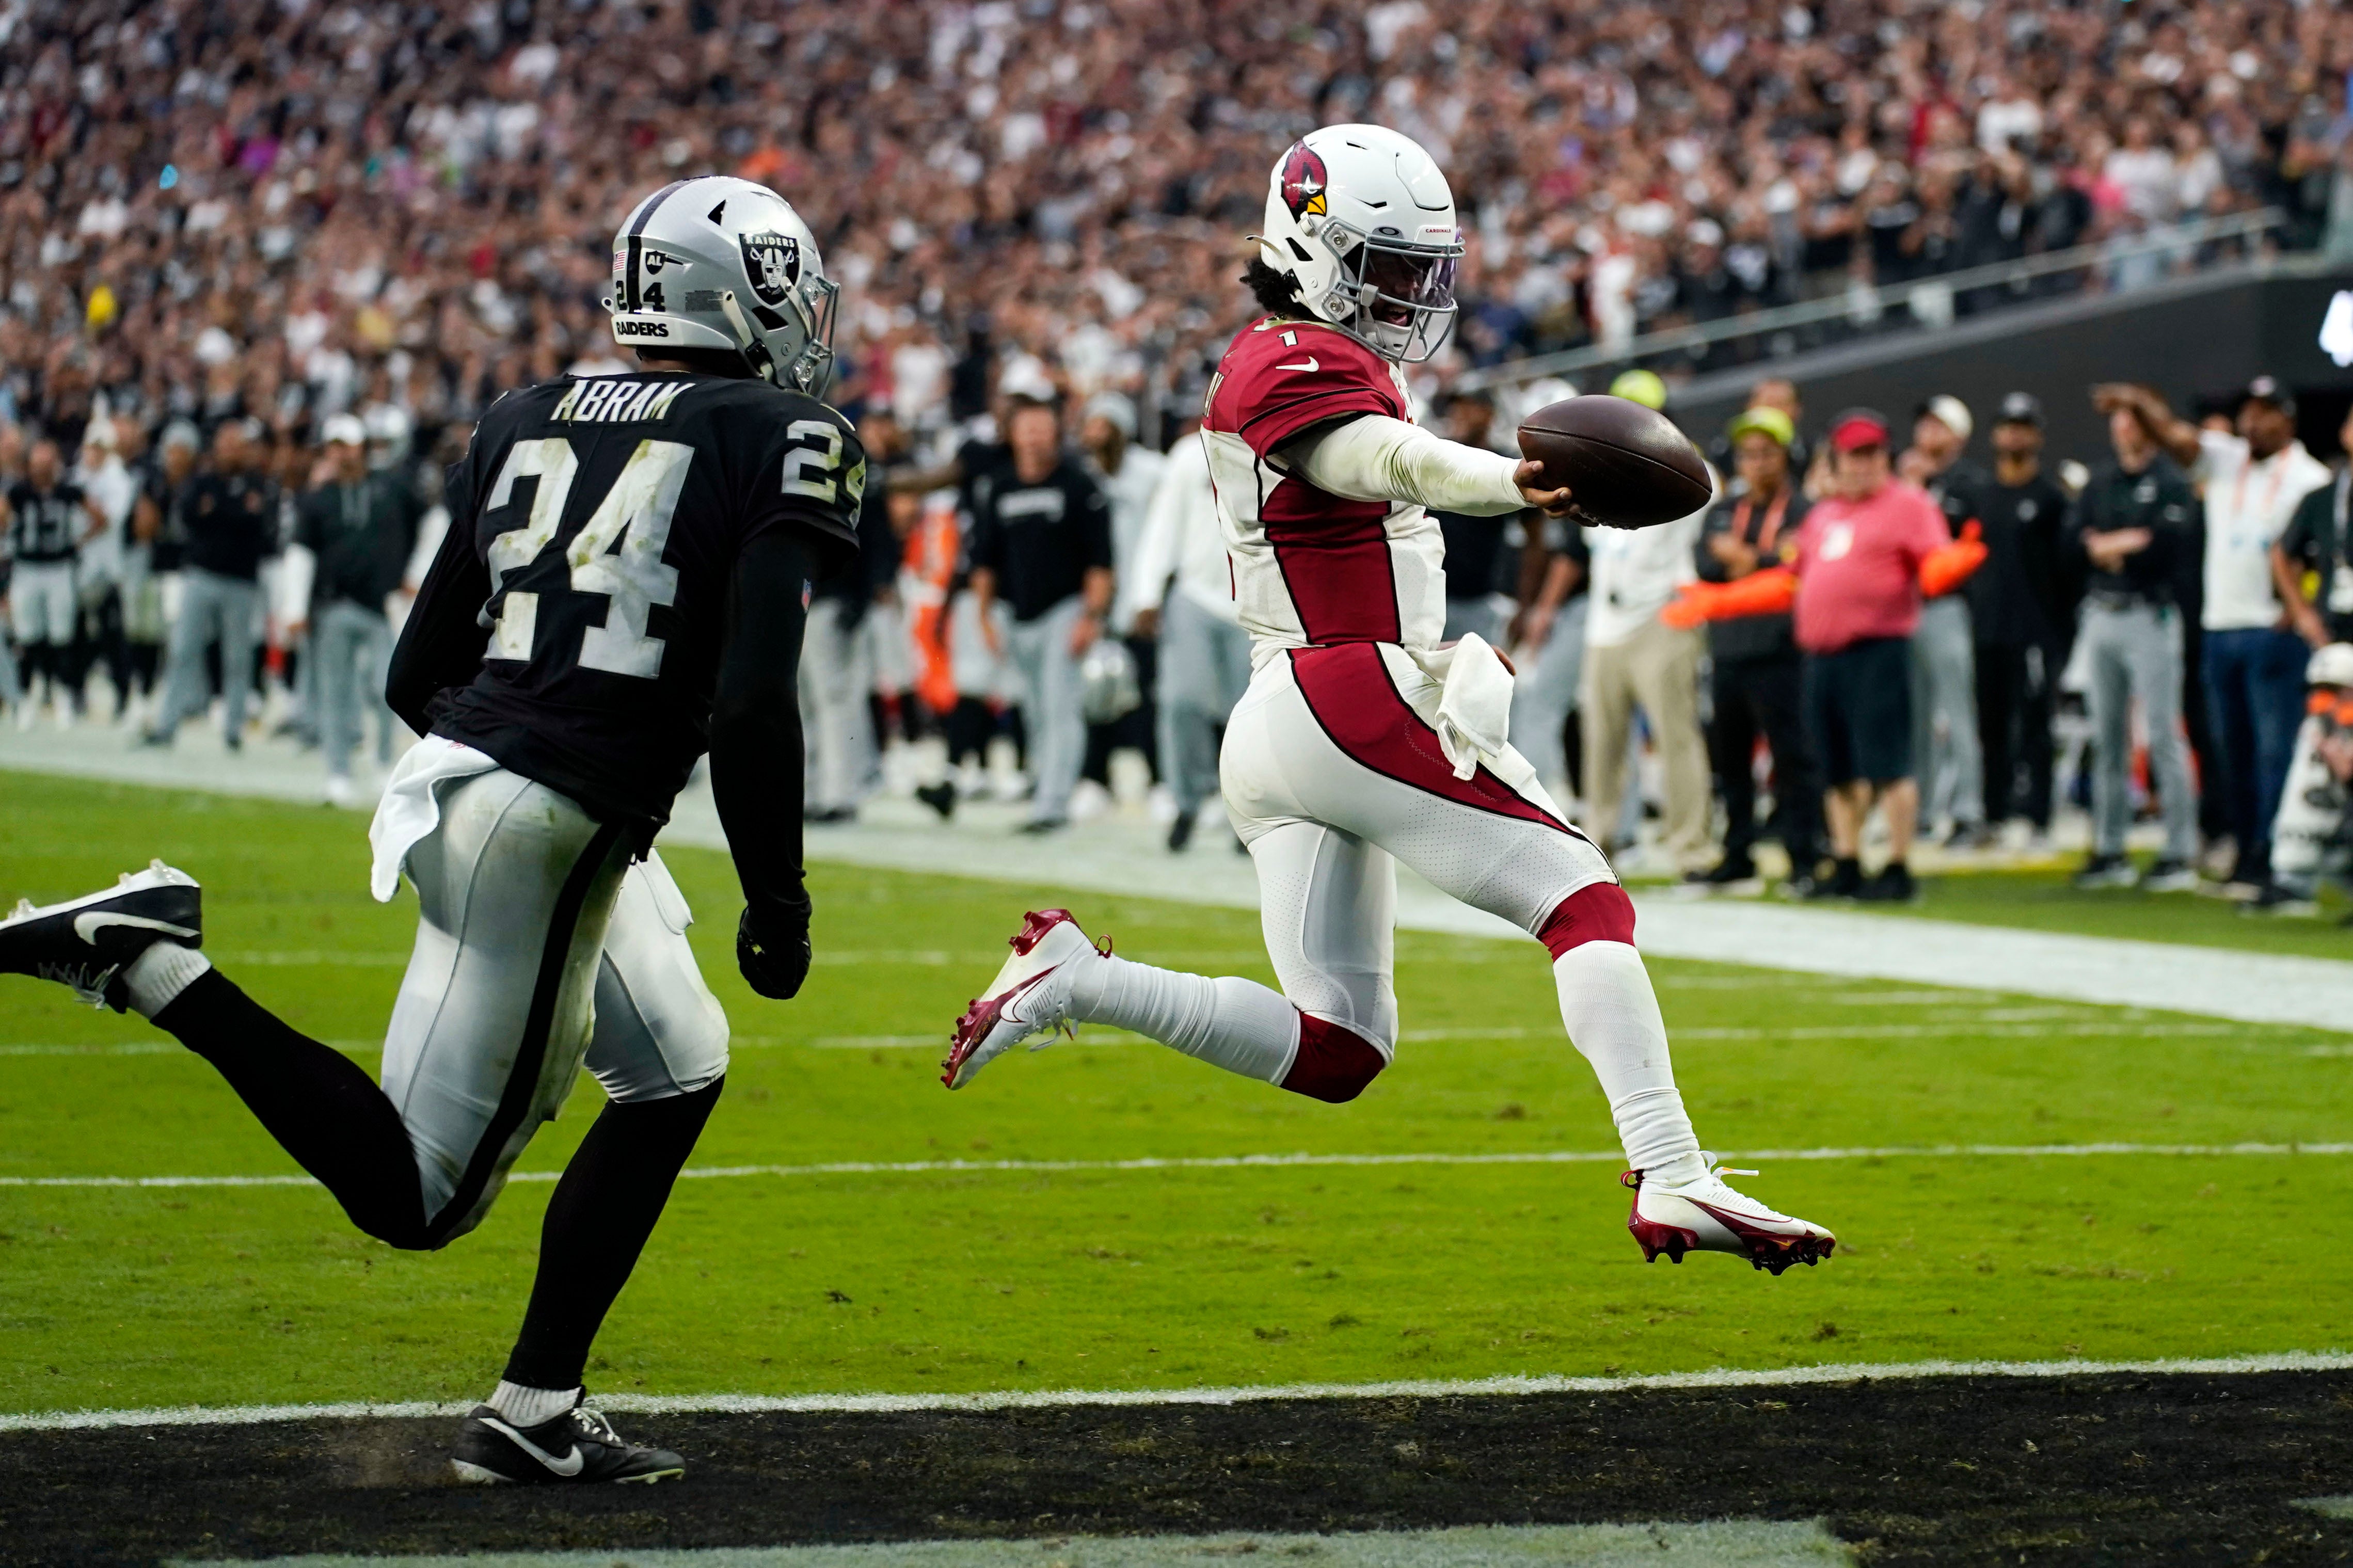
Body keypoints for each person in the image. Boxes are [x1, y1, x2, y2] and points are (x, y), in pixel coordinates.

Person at [0, 176, 862, 1486]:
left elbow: (416, 668)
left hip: (487, 777)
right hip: (552, 814)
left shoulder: (525, 414)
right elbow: (749, 703)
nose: (806, 309)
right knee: (416, 1198)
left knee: (677, 1065)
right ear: (735, 288)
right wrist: (777, 902)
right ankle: (149, 961)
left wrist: (538, 755)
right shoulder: (781, 429)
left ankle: (537, 1405)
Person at [940, 125, 1833, 1273]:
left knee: (1338, 1050)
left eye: (1423, 271)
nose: (1410, 295)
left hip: (1284, 720)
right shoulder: (1282, 355)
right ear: (1308, 245)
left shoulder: (1304, 350)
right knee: (1584, 903)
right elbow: (1384, 462)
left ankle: (1087, 980)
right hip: (1342, 684)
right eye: (1387, 268)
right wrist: (1509, 482)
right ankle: (1670, 1169)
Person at [2100, 379, 2333, 895]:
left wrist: (2300, 610)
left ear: (2288, 422)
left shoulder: (2308, 477)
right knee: (2231, 749)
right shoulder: (2228, 459)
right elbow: (2175, 439)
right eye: (2248, 412)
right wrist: (2142, 404)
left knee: (2275, 749)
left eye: (2266, 413)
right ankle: (2246, 851)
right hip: (2220, 623)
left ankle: (2278, 857)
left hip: (2271, 630)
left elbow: (2321, 553)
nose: (2254, 422)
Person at [1785, 411, 1952, 901]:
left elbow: (1936, 563)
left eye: (1873, 454)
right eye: (1854, 455)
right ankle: (1848, 859)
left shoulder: (1908, 505)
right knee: (1836, 767)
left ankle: (1899, 863)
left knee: (1888, 763)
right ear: (1836, 462)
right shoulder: (1823, 514)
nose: (1864, 464)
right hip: (1822, 654)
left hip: (1879, 646)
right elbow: (1801, 574)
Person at [1579, 374, 1714, 874]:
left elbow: (1708, 485)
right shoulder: (1594, 471)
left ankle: (1691, 849)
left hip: (1662, 616)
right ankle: (1597, 849)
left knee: (1676, 737)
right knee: (1601, 746)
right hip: (1603, 624)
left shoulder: (1687, 470)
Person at [2069, 395, 2202, 891]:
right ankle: (2110, 848)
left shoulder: (2169, 479)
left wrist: (2117, 546)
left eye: (2133, 422)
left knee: (2165, 734)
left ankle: (2180, 850)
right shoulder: (2101, 480)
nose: (2125, 430)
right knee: (2106, 738)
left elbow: (2167, 544)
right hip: (2103, 611)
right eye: (2120, 422)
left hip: (2151, 612)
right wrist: (2124, 543)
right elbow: (2074, 539)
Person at [964, 396, 1115, 834]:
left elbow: (1101, 560)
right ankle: (1041, 787)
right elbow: (984, 561)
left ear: (1056, 432)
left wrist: (1091, 616)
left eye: (1042, 427)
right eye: (1026, 427)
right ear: (1012, 434)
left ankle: (1053, 802)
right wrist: (985, 616)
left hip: (1064, 609)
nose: (1034, 436)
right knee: (1032, 709)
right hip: (1015, 613)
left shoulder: (1079, 484)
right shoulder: (998, 485)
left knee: (1059, 707)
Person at [1691, 405, 1822, 891]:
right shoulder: (1725, 509)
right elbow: (1705, 563)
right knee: (1731, 762)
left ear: (1787, 457)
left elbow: (1799, 566)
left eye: (1767, 454)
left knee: (1793, 759)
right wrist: (1769, 561)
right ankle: (1738, 852)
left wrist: (1747, 559)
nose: (1757, 464)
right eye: (1749, 455)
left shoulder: (1805, 510)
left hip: (1782, 650)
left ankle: (1804, 855)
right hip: (1728, 648)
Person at [1124, 418, 1252, 851]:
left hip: (1256, 604)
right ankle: (1187, 800)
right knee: (1181, 701)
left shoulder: (1281, 446)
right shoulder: (1188, 453)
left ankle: (1249, 814)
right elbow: (1164, 524)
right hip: (1194, 595)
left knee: (1251, 719)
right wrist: (1146, 593)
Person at [287, 414, 424, 806]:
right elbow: (301, 553)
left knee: (388, 688)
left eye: (346, 445)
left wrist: (415, 572)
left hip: (383, 605)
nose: (340, 454)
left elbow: (433, 521)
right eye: (333, 446)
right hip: (333, 604)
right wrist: (295, 607)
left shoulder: (392, 489)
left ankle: (383, 763)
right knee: (334, 693)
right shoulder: (317, 500)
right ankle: (338, 772)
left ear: (362, 448)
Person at [1969, 394, 2073, 846]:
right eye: (2008, 425)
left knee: (2035, 727)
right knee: (1989, 726)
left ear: (2038, 436)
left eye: (2023, 426)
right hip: (1986, 628)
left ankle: (2038, 817)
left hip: (2035, 631)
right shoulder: (1982, 495)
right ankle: (1993, 815)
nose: (2014, 434)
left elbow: (2067, 571)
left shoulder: (2051, 498)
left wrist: (2060, 633)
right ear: (1995, 435)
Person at [145, 419, 279, 751]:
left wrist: (218, 513)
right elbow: (189, 516)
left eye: (237, 445)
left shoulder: (259, 485)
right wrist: (235, 515)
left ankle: (233, 730)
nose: (231, 451)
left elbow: (262, 529)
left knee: (238, 659)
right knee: (183, 651)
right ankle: (167, 723)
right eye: (226, 444)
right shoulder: (202, 480)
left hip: (241, 582)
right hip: (202, 575)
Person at [1898, 395, 1990, 847]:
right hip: (1903, 608)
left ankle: (1968, 813)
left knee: (1957, 714)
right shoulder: (1900, 481)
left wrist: (1917, 492)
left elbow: (1953, 549)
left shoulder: (1970, 484)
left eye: (1940, 426)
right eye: (1925, 424)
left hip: (1946, 607)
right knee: (1913, 717)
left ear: (1958, 435)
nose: (1928, 434)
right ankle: (1921, 813)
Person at [1078, 392, 1167, 805]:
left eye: (1104, 424)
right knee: (1097, 695)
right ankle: (1097, 779)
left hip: (1143, 604)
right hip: (1100, 606)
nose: (1096, 433)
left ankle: (1158, 780)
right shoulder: (1083, 477)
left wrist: (1156, 595)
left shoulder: (1153, 472)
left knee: (1148, 696)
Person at [1, 435, 106, 728]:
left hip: (59, 568)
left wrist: (78, 543)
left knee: (62, 638)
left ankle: (63, 697)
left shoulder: (69, 491)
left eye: (47, 461)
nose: (42, 468)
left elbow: (101, 518)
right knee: (28, 637)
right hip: (28, 568)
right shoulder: (18, 492)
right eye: (38, 462)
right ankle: (27, 697)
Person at [2247, 642, 2353, 917]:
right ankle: (2293, 882)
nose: (2322, 705)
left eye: (2331, 694)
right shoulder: (2316, 728)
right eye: (2318, 696)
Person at [1426, 391, 1519, 645]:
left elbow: (1536, 540)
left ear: (1490, 414)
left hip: (1478, 599)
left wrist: (1528, 604)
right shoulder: (1435, 459)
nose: (1460, 416)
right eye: (1456, 409)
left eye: (1469, 408)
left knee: (1477, 678)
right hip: (1427, 598)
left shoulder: (1505, 466)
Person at [2273, 401, 2353, 651]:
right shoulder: (2321, 499)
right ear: (2346, 433)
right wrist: (2302, 613)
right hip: (2332, 627)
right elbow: (2280, 554)